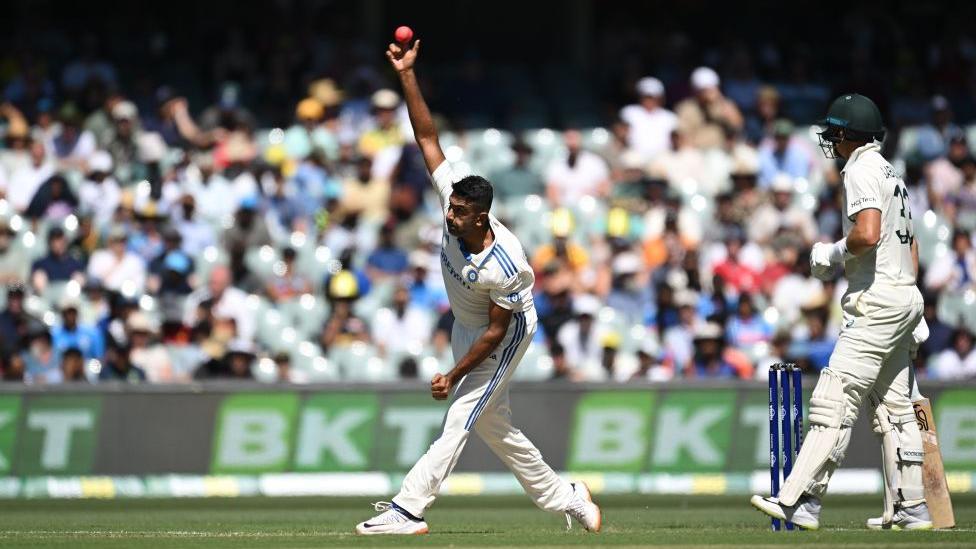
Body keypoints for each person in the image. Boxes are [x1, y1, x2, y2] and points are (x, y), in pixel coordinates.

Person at [355, 38, 600, 536]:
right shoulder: (453, 198)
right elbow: (427, 138)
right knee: (497, 429)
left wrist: (452, 373)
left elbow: (496, 333)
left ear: (481, 217)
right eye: (450, 207)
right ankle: (566, 497)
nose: (449, 215)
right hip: (467, 326)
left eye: (460, 213)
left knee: (461, 417)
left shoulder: (506, 262)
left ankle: (408, 508)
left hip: (504, 334)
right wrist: (406, 74)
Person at [751, 93, 933, 530]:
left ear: (851, 136)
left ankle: (803, 500)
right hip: (903, 295)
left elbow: (867, 233)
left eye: (836, 132)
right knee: (896, 408)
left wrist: (831, 254)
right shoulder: (892, 172)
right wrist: (909, 299)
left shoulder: (861, 169)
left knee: (836, 396)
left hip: (879, 303)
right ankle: (912, 508)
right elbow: (911, 246)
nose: (831, 140)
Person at [619, 77, 677, 163]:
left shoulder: (670, 117)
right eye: (646, 97)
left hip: (662, 156)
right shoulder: (629, 112)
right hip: (635, 154)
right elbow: (621, 135)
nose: (649, 100)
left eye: (652, 97)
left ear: (659, 98)